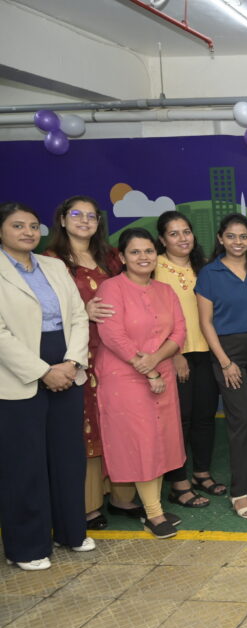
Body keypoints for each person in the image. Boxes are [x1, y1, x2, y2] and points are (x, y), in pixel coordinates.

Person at [0, 202, 93, 570]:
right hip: (19, 371)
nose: (27, 232)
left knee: (67, 455)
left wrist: (71, 363)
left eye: (33, 226)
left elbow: (77, 316)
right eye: (17, 225)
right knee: (25, 462)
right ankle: (27, 546)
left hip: (66, 362)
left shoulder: (54, 266)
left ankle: (71, 531)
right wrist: (42, 371)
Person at [45, 195, 142, 528]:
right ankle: (87, 505)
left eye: (91, 216)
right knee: (86, 427)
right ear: (62, 219)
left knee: (119, 422)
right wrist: (82, 313)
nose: (84, 220)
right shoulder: (51, 261)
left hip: (117, 353)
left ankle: (122, 496)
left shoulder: (111, 257)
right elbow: (41, 310)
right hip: (79, 355)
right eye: (76, 214)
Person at [95, 228, 187, 539]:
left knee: (161, 440)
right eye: (135, 252)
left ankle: (154, 507)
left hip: (161, 374)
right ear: (121, 257)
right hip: (125, 379)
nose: (143, 257)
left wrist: (156, 361)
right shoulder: (111, 289)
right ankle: (154, 514)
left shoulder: (165, 291)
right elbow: (112, 335)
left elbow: (178, 332)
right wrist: (145, 368)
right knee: (142, 442)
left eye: (148, 251)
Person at [196, 214, 247, 519]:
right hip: (228, 353)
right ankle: (239, 492)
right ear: (220, 239)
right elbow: (205, 323)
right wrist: (225, 362)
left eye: (243, 237)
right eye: (231, 236)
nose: (237, 242)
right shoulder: (210, 273)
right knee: (240, 421)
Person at [155, 211, 224, 506]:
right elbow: (154, 319)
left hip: (205, 351)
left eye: (186, 232)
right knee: (178, 421)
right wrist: (175, 354)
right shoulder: (155, 268)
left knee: (204, 417)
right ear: (162, 239)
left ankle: (201, 473)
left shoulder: (204, 268)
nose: (182, 238)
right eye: (174, 233)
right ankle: (178, 482)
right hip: (175, 355)